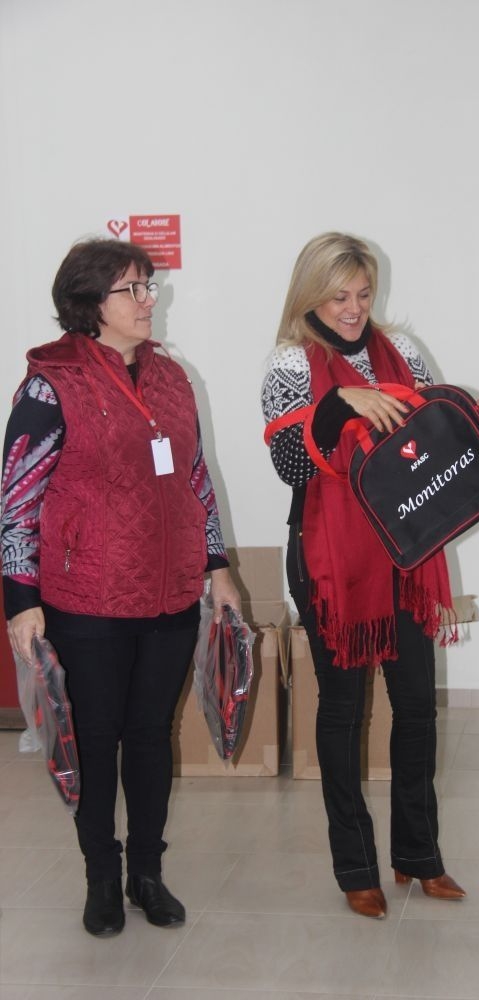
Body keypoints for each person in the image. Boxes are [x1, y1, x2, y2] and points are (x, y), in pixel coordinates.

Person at [1, 238, 240, 937]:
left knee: (150, 738)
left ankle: (147, 873)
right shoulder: (51, 384)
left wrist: (218, 568)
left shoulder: (172, 378)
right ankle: (101, 878)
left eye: (148, 285)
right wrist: (21, 602)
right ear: (89, 303)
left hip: (169, 595)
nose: (147, 300)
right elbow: (16, 499)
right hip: (87, 601)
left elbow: (196, 479)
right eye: (131, 289)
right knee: (97, 739)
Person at [261, 232, 465, 918]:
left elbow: (437, 441)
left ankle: (419, 857)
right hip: (330, 561)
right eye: (338, 296)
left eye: (363, 294)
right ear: (309, 297)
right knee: (344, 712)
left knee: (416, 707)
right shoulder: (289, 364)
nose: (353, 309)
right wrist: (339, 402)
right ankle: (355, 868)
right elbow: (291, 465)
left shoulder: (403, 352)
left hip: (404, 553)